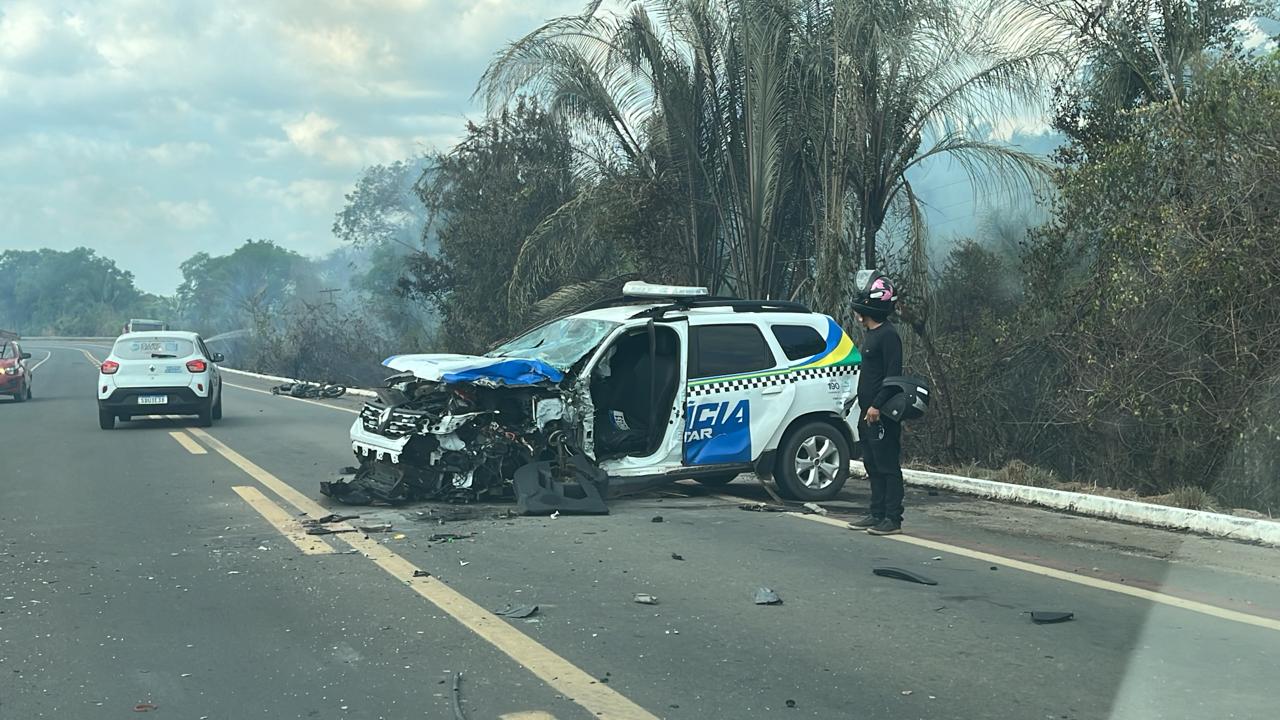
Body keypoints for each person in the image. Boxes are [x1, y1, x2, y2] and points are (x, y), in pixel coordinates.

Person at [846, 270, 905, 536]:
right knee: (870, 462)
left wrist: (877, 405)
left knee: (887, 465)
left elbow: (893, 376)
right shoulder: (872, 335)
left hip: (881, 413)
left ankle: (893, 518)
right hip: (867, 412)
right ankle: (875, 512)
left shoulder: (889, 336)